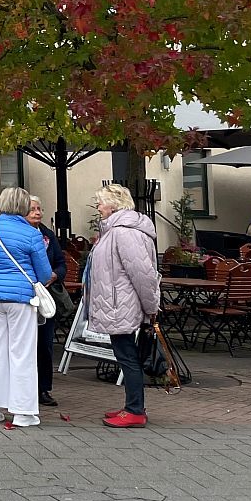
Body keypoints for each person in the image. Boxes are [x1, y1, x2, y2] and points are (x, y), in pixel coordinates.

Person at [0, 187, 55, 427]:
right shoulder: (31, 234)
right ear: (23, 207)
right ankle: (22, 411)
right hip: (20, 297)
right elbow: (42, 272)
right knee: (22, 353)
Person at [86, 183, 161, 428]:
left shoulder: (123, 232)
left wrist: (151, 306)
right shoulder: (117, 230)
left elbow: (143, 273)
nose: (98, 207)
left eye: (101, 202)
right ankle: (133, 405)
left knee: (127, 356)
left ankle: (135, 410)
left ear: (114, 204)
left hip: (121, 304)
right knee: (127, 355)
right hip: (119, 303)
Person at [27, 195, 68, 408]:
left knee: (45, 344)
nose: (37, 213)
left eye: (39, 208)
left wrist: (54, 274)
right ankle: (26, 387)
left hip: (45, 297)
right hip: (25, 296)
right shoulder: (21, 234)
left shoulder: (47, 235)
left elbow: (61, 264)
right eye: (33, 209)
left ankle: (44, 388)